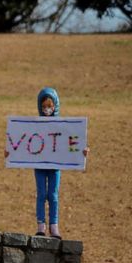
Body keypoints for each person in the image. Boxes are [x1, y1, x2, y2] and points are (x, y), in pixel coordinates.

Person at [5, 87, 89, 238]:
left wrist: (82, 151)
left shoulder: (63, 126)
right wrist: (11, 152)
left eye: (49, 106)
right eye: (44, 106)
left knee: (53, 195)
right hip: (39, 164)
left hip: (55, 166)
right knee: (42, 194)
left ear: (55, 106)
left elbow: (73, 142)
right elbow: (21, 142)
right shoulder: (35, 126)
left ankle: (54, 226)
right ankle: (41, 226)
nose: (47, 109)